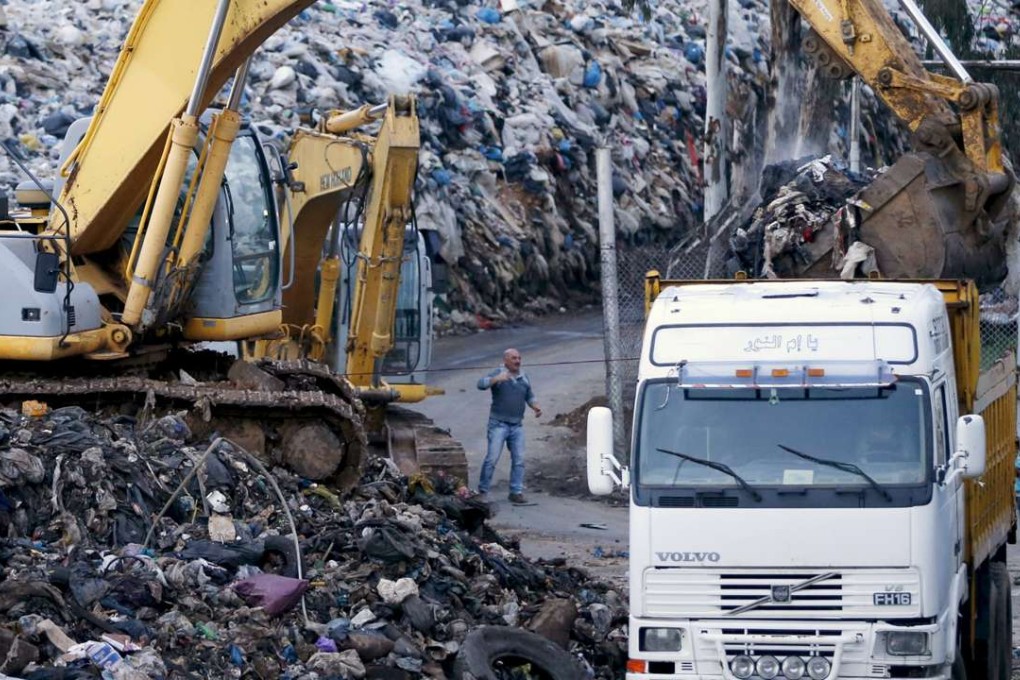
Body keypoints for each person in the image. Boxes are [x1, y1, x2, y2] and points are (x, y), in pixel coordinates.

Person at [476, 348, 542, 504]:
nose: (517, 361)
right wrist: (496, 379)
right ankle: (482, 491)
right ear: (505, 360)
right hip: (498, 424)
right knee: (492, 459)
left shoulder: (523, 376)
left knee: (519, 460)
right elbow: (480, 384)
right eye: (513, 358)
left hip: (516, 425)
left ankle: (516, 491)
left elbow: (529, 395)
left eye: (519, 358)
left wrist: (536, 407)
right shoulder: (499, 373)